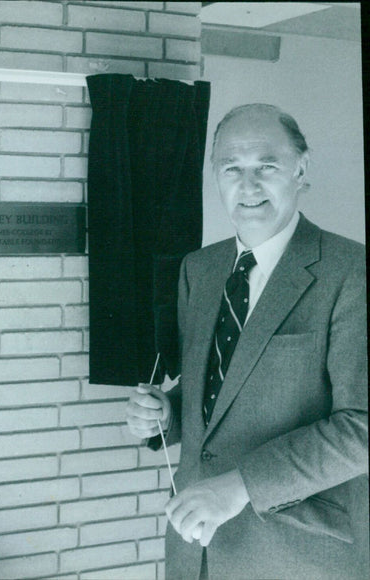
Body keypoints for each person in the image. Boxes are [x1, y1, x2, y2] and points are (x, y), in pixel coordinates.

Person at [125, 104, 368, 579]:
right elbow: (222, 392)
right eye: (231, 168)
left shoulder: (351, 273)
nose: (248, 185)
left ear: (302, 170)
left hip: (298, 557)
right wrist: (167, 415)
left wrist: (238, 487)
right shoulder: (199, 269)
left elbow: (362, 426)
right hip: (197, 551)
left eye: (266, 167)